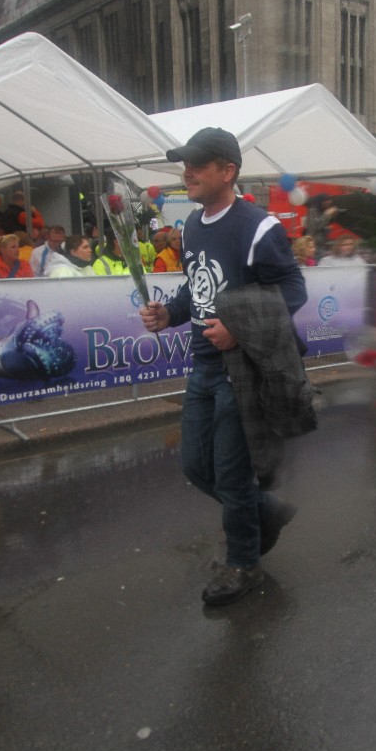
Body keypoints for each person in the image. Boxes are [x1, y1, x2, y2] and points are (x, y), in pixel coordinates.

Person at [138, 127, 307, 607]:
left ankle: (244, 563)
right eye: (185, 164)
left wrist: (238, 326)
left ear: (227, 171)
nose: (186, 172)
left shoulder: (259, 227)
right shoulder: (193, 225)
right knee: (196, 466)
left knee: (232, 476)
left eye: (197, 165)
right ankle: (266, 510)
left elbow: (293, 291)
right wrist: (170, 313)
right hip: (204, 366)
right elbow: (197, 286)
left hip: (244, 369)